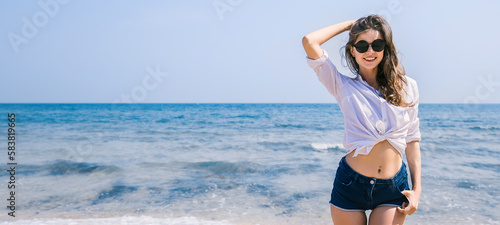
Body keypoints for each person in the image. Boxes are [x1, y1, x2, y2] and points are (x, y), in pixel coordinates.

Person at [302, 15, 422, 225]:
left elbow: (412, 141)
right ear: (352, 50)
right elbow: (309, 41)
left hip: (393, 187)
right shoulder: (342, 86)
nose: (370, 51)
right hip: (351, 185)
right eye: (362, 45)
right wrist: (351, 25)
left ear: (385, 48)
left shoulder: (407, 87)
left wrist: (417, 190)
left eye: (377, 44)